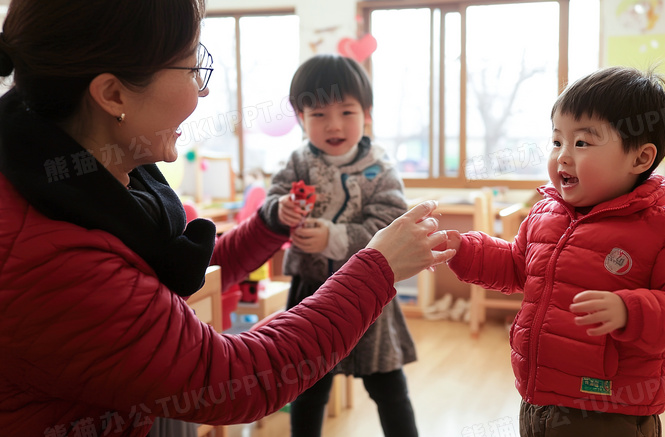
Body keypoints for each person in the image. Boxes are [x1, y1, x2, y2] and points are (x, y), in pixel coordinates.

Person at [0, 1, 455, 436]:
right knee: (313, 396)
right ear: (113, 93)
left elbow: (180, 272)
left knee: (388, 392)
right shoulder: (56, 260)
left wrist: (272, 223)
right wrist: (377, 266)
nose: (205, 89)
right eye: (192, 66)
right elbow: (236, 376)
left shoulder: (85, 178)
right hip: (324, 290)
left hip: (353, 306)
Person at [441, 66, 665, 436]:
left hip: (610, 412)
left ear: (640, 159)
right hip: (538, 397)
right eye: (557, 141)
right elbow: (518, 266)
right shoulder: (545, 214)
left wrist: (632, 311)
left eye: (582, 143)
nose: (562, 156)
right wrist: (464, 249)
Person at [259, 54, 419, 437]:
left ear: (366, 114)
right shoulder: (298, 162)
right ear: (300, 118)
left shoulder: (379, 167)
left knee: (388, 386)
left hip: (369, 294)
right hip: (310, 291)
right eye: (318, 115)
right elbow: (271, 205)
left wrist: (333, 237)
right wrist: (280, 210)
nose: (333, 125)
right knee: (308, 385)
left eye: (346, 112)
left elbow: (390, 225)